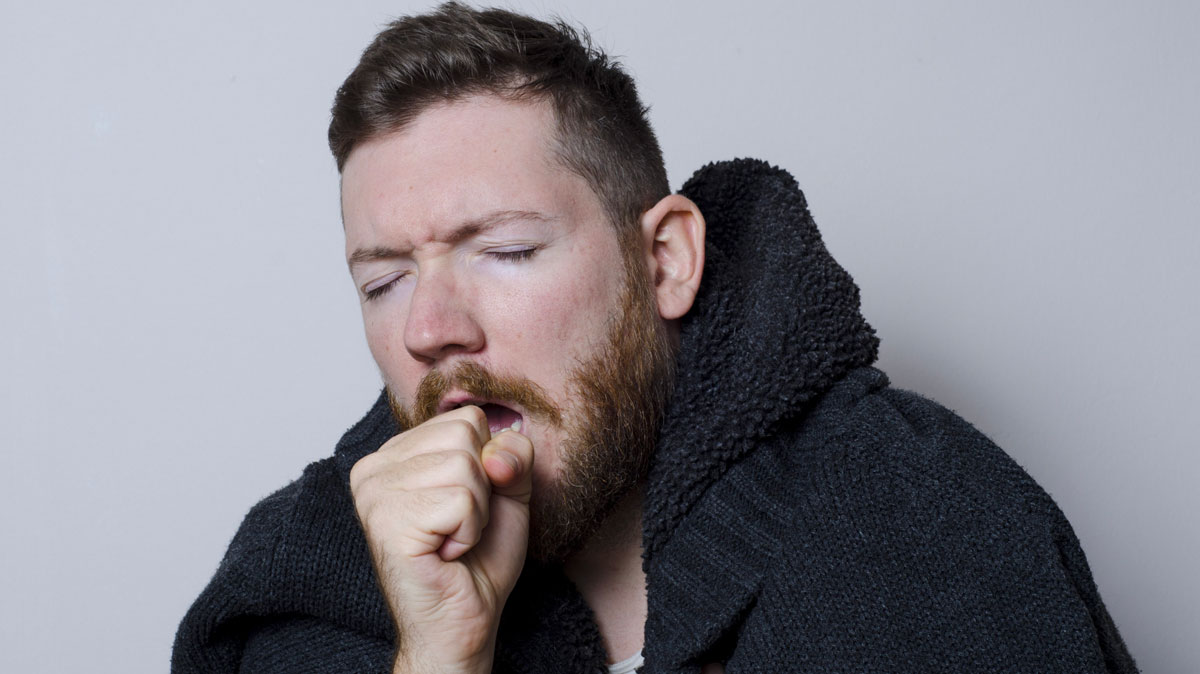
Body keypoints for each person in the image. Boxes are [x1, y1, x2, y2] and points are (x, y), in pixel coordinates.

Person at [173, 3, 1138, 672]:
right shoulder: (299, 592)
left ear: (667, 262)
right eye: (383, 282)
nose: (430, 330)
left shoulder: (921, 518)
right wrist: (438, 655)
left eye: (505, 252)